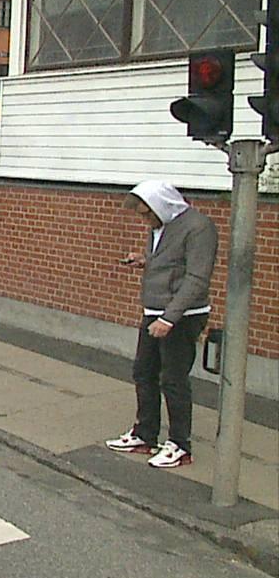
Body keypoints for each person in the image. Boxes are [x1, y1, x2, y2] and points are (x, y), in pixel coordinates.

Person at [106, 181, 217, 469]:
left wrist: (169, 318)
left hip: (182, 316)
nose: (145, 220)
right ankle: (145, 434)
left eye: (147, 213)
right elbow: (171, 261)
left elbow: (197, 277)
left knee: (173, 379)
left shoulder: (198, 227)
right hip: (154, 310)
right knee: (144, 372)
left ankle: (180, 444)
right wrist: (146, 261)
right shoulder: (161, 226)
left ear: (163, 206)